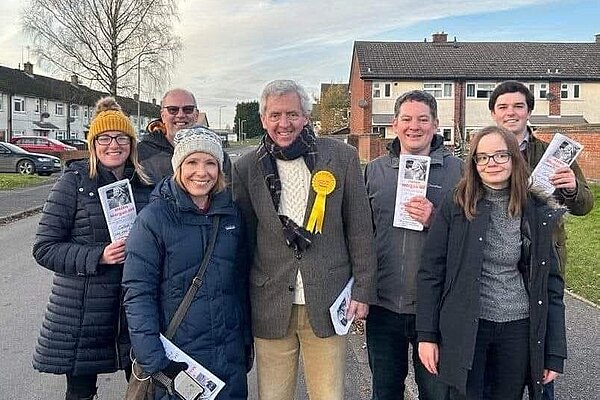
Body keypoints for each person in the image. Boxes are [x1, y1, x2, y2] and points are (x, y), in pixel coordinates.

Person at [232, 79, 376, 400]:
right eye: (276, 115)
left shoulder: (342, 158)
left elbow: (360, 228)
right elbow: (243, 241)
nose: (284, 124)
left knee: (328, 395)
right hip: (270, 304)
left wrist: (364, 290)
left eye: (293, 114)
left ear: (306, 116)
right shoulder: (245, 169)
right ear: (263, 118)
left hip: (327, 300)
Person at [416, 126, 567, 400]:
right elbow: (430, 273)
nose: (491, 163)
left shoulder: (537, 211)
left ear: (514, 159)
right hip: (468, 327)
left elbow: (552, 285)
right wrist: (426, 335)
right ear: (473, 164)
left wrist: (554, 352)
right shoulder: (457, 206)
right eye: (483, 157)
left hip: (518, 328)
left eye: (500, 155)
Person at [32, 97, 152, 400]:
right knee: (81, 392)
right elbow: (44, 247)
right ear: (93, 143)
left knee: (143, 388)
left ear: (132, 142)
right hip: (83, 312)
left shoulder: (144, 184)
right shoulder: (73, 182)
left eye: (121, 137)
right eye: (105, 138)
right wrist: (99, 255)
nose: (114, 145)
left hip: (132, 306)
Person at [123, 126, 251, 399]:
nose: (201, 172)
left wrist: (244, 342)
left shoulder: (230, 216)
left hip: (228, 359)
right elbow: (137, 294)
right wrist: (153, 359)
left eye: (210, 163)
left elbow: (240, 284)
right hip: (177, 361)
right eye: (192, 162)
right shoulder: (153, 220)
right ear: (178, 166)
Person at [489, 81, 593, 399]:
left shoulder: (554, 154)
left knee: (542, 350)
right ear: (493, 113)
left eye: (518, 106)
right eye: (503, 107)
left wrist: (572, 187)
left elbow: (586, 204)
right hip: (497, 262)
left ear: (529, 111)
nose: (511, 113)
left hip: (544, 257)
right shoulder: (485, 152)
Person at [365, 90, 463, 400]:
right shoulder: (375, 171)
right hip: (383, 304)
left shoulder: (458, 172)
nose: (414, 126)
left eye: (423, 119)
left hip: (435, 308)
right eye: (406, 119)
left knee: (435, 393)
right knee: (385, 390)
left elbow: (472, 236)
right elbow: (361, 233)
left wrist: (437, 219)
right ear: (394, 124)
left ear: (436, 124)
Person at [138, 88, 231, 183]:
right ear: (163, 115)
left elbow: (226, 192)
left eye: (188, 109)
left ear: (196, 115)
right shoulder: (141, 153)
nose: (181, 115)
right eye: (173, 110)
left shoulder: (218, 154)